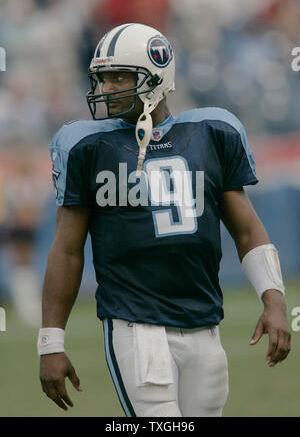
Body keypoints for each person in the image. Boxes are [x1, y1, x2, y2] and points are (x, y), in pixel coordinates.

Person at [38, 23, 291, 417]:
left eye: (119, 76)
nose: (105, 89)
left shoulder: (211, 132)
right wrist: (51, 342)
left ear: (157, 77)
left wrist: (273, 299)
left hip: (204, 321)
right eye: (102, 79)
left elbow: (246, 230)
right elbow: (67, 251)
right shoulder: (88, 146)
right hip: (136, 325)